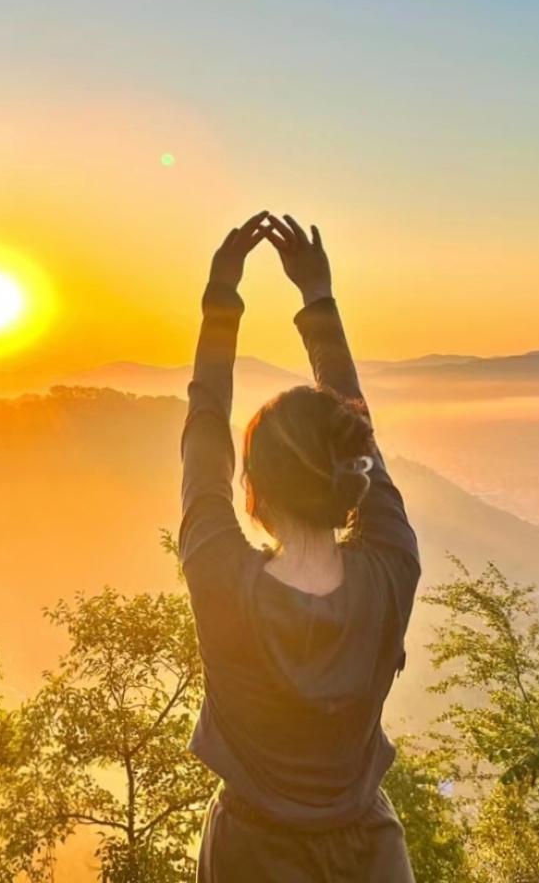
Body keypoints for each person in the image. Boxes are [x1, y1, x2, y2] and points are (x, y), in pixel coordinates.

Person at [180, 211, 420, 883]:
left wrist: (221, 300)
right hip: (370, 856)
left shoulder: (221, 577)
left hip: (250, 856)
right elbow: (356, 427)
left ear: (250, 489)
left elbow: (204, 430)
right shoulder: (392, 567)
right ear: (351, 473)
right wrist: (318, 299)